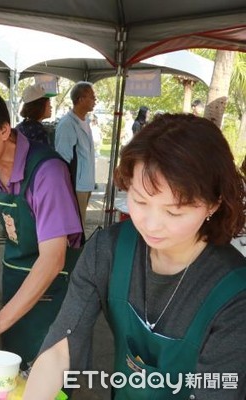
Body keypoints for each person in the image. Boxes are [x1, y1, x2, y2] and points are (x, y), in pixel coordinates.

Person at [25, 114, 246, 400]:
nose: (151, 224)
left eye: (174, 211)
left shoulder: (234, 294)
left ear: (213, 205)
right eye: (140, 201)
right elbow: (61, 346)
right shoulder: (108, 250)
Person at [0, 88, 83, 369]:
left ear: (3, 130)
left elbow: (53, 258)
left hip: (55, 284)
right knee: (13, 365)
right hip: (15, 276)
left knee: (47, 369)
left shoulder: (47, 172)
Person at [54, 81, 96, 230]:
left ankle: (77, 250)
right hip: (76, 185)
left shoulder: (85, 121)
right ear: (81, 99)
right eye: (92, 97)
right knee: (74, 226)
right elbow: (63, 158)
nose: (95, 100)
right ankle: (73, 252)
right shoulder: (68, 124)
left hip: (86, 182)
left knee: (80, 223)